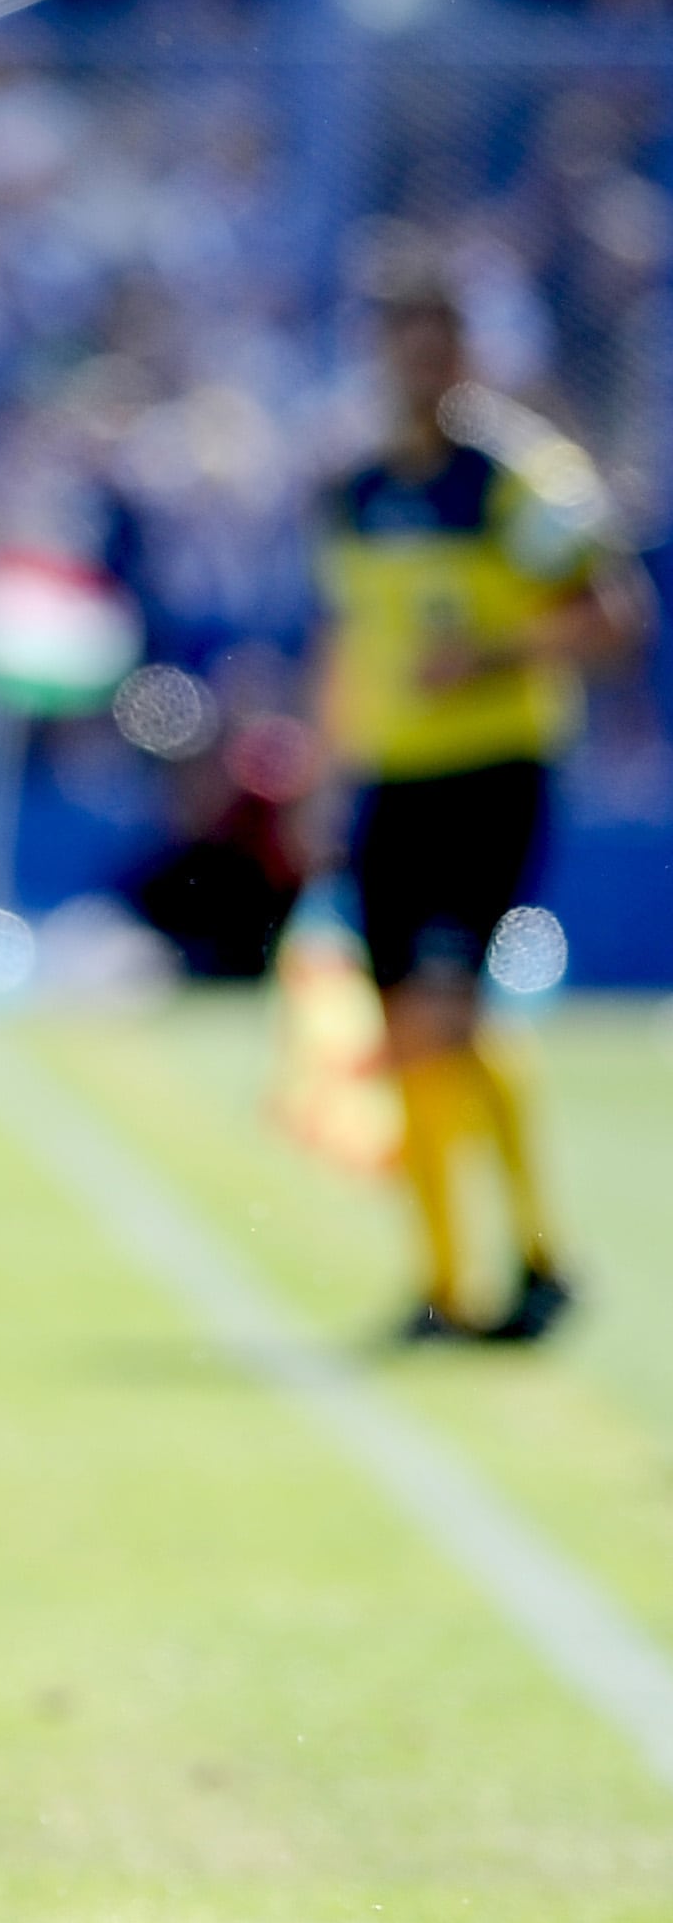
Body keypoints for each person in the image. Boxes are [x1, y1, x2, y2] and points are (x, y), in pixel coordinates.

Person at [316, 280, 649, 1343]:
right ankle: (466, 1277)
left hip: (491, 775)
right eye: (400, 351)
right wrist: (326, 770)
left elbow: (611, 620)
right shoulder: (354, 491)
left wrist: (493, 658)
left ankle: (483, 1279)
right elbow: (347, 641)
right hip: (391, 781)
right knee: (409, 1031)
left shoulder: (520, 483)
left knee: (439, 1010)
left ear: (465, 359)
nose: (418, 375)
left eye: (436, 352)